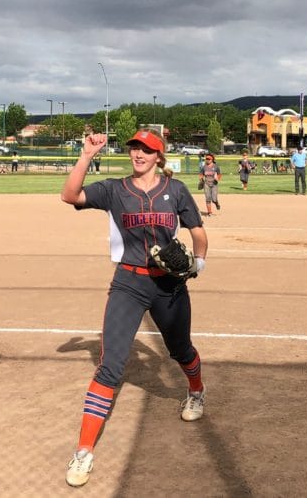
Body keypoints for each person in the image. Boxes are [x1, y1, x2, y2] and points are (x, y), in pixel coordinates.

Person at [60, 128, 208, 488]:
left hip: (168, 285)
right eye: (135, 148)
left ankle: (196, 391)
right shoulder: (114, 190)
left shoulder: (175, 191)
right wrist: (86, 157)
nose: (138, 154)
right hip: (128, 282)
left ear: (159, 156)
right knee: (110, 366)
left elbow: (198, 232)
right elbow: (70, 195)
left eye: (147, 149)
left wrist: (199, 262)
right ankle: (83, 452)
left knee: (180, 349)